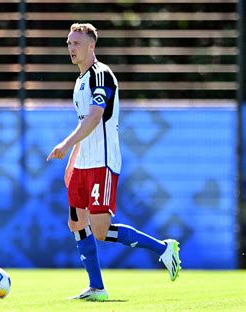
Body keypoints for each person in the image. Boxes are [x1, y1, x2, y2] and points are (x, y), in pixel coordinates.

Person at [46, 23, 181, 301]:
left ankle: (163, 249)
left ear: (92, 46)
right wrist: (72, 161)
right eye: (69, 43)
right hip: (82, 164)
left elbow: (95, 117)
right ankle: (97, 288)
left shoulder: (101, 75)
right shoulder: (80, 79)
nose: (71, 48)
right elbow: (83, 123)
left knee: (100, 230)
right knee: (76, 224)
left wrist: (65, 144)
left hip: (102, 163)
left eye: (77, 43)